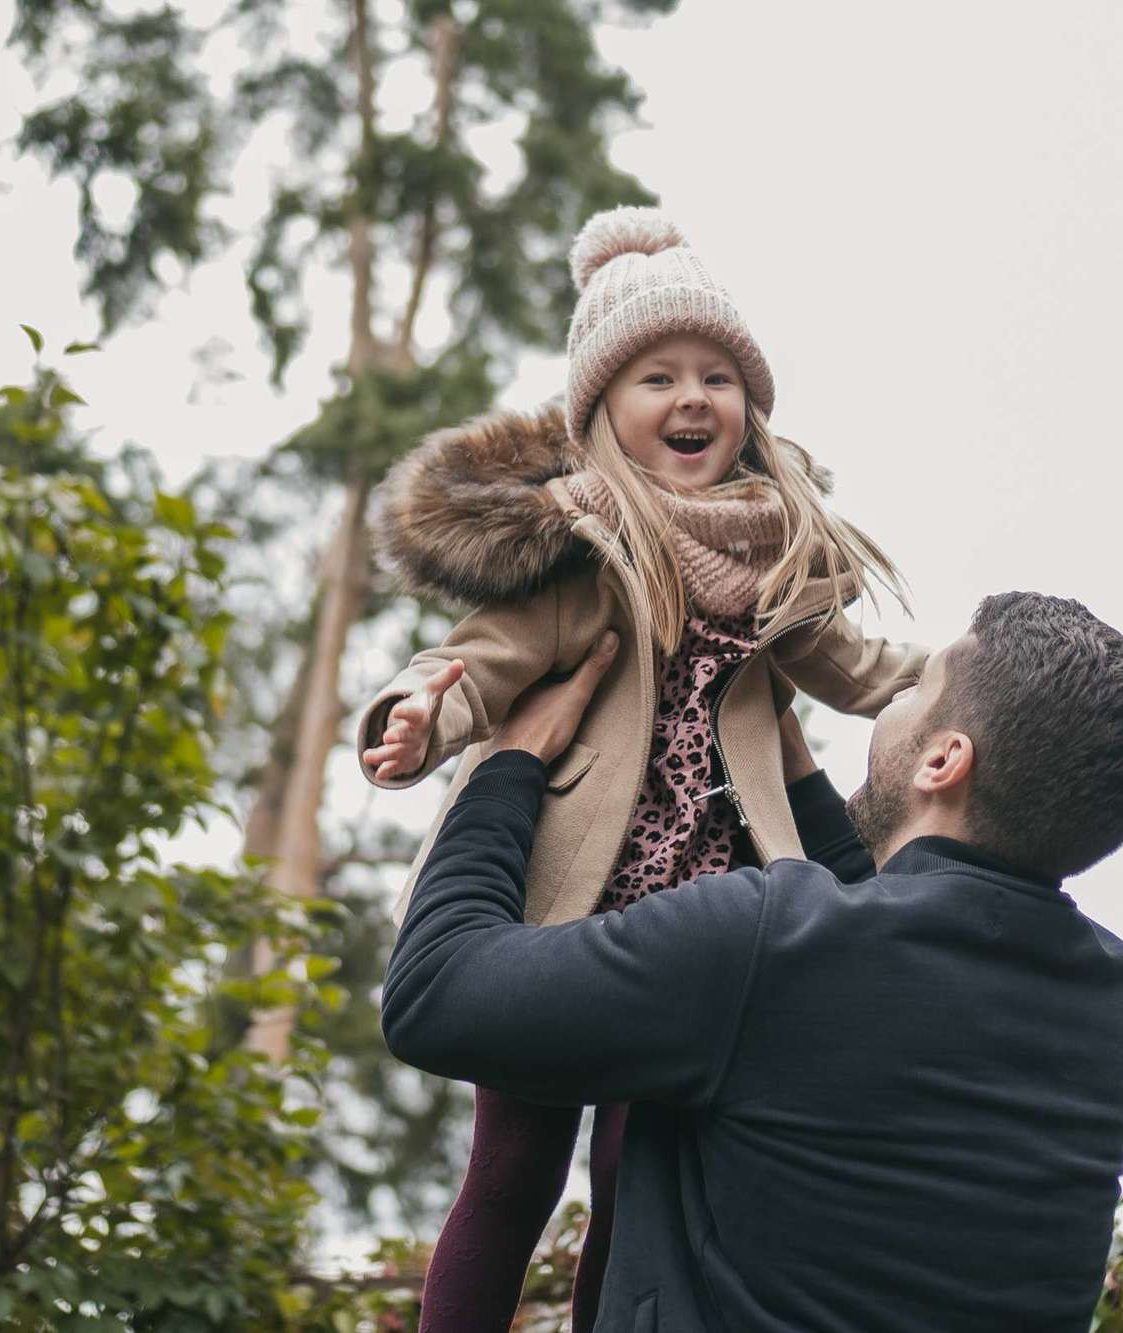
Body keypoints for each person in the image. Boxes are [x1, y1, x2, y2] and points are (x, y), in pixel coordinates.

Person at [356, 206, 927, 1330]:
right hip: (558, 915)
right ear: (602, 409)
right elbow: (479, 663)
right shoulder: (580, 550)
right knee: (512, 1169)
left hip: (698, 929)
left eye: (716, 375)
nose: (691, 399)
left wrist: (965, 674)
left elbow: (861, 670)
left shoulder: (777, 560)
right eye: (656, 376)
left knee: (640, 1172)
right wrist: (420, 710)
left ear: (748, 408)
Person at [381, 591, 1123, 1333]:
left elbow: (435, 992)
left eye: (913, 692)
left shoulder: (765, 941)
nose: (888, 708)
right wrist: (786, 760)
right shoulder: (1107, 998)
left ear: (944, 761)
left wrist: (508, 763)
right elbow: (894, 949)